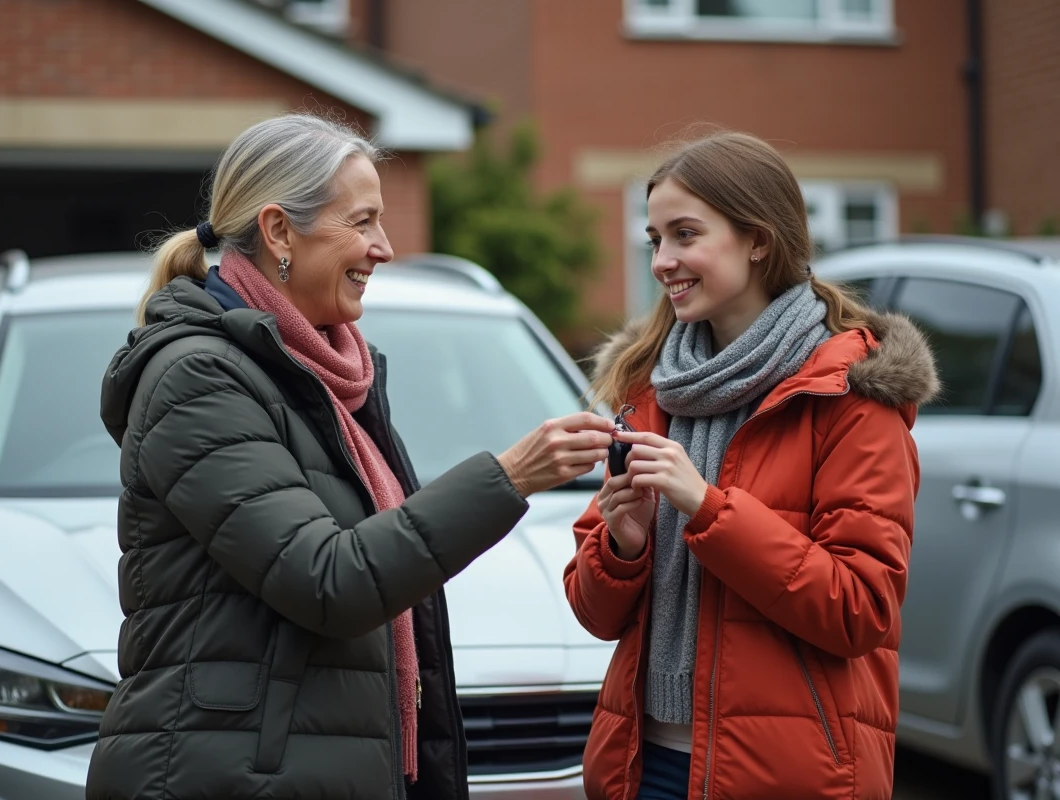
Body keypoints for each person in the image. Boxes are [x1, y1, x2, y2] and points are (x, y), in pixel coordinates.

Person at [86, 113, 615, 800]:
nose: (384, 247)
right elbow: (328, 579)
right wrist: (509, 477)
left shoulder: (325, 375)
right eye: (362, 222)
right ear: (279, 231)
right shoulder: (198, 377)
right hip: (222, 777)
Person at [564, 131, 939, 800]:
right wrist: (624, 545)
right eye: (654, 239)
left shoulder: (852, 396)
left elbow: (860, 610)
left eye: (685, 235)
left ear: (758, 240)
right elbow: (594, 615)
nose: (661, 261)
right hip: (642, 766)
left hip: (789, 775)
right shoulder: (650, 390)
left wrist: (708, 509)